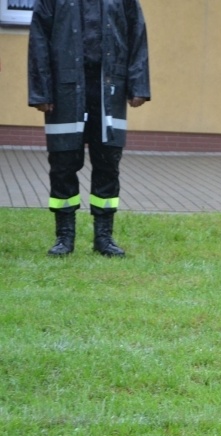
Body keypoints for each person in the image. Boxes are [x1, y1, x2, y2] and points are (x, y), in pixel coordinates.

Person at [28, 0, 151, 257]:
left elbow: (137, 35)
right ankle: (64, 237)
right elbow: (39, 39)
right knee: (62, 163)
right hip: (65, 89)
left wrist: (138, 85)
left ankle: (103, 237)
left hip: (109, 88)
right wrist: (41, 91)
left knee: (108, 163)